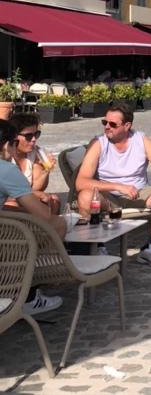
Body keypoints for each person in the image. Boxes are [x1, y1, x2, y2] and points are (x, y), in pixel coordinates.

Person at [75, 102, 151, 268]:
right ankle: (97, 247)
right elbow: (81, 182)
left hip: (140, 192)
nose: (107, 127)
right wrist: (118, 186)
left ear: (127, 126)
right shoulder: (98, 143)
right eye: (104, 122)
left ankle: (150, 246)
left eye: (112, 124)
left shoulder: (141, 140)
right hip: (109, 197)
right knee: (84, 195)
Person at [0, 119, 66, 314]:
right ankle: (27, 291)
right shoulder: (6, 169)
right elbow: (42, 215)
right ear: (7, 144)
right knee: (58, 224)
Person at [7, 113, 60, 214]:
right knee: (13, 205)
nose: (34, 139)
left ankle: (47, 229)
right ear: (14, 136)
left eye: (36, 134)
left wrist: (46, 171)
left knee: (54, 200)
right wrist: (37, 195)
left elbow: (37, 187)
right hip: (9, 200)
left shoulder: (35, 153)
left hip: (26, 198)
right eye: (28, 136)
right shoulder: (5, 155)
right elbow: (7, 191)